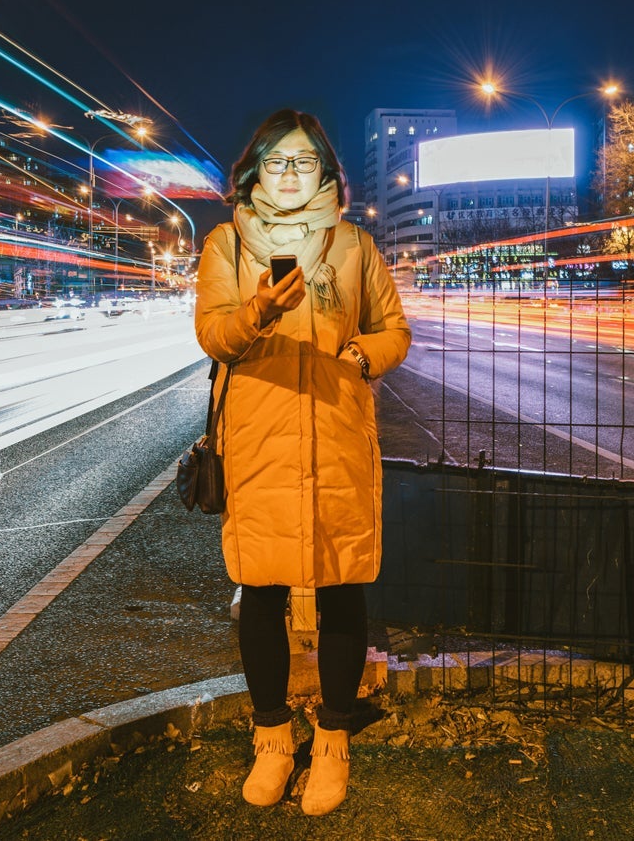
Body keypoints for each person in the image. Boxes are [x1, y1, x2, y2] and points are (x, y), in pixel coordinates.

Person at [193, 108, 412, 815]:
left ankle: (334, 739)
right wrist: (256, 311)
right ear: (255, 171)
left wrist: (363, 353)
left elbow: (394, 328)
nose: (291, 172)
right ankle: (272, 738)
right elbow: (213, 334)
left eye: (305, 161)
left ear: (326, 172)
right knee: (262, 587)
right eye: (278, 160)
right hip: (259, 439)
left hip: (339, 434)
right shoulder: (225, 245)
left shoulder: (354, 247)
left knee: (344, 584)